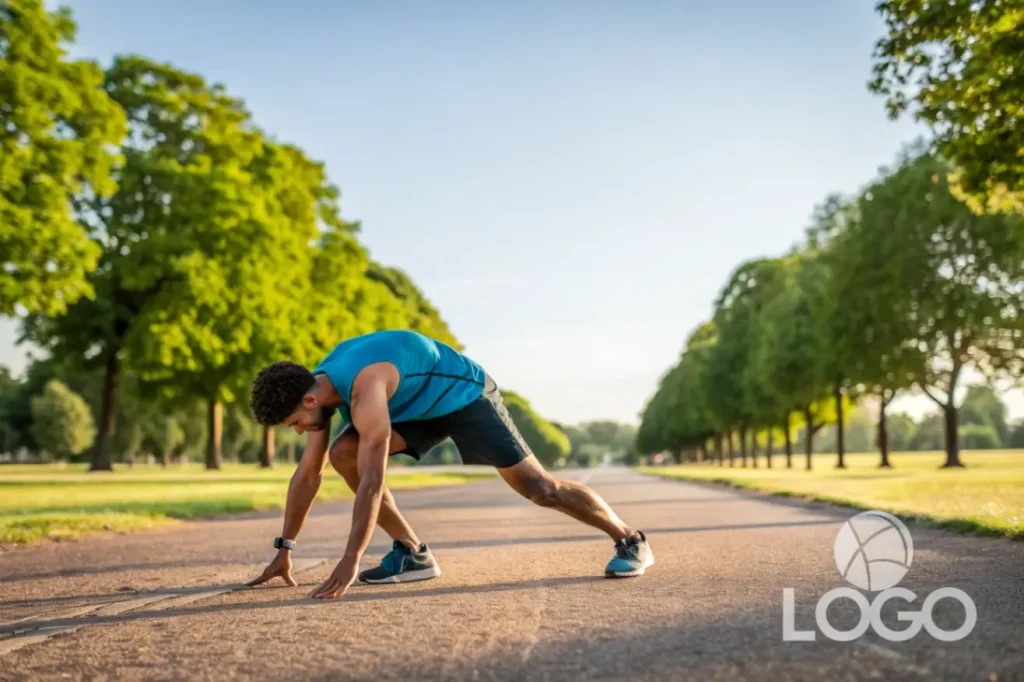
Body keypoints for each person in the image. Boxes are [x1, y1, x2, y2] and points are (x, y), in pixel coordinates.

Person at [245, 329, 653, 600]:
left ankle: (630, 539)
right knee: (341, 453)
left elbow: (372, 482)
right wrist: (285, 549)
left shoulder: (363, 388)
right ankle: (413, 554)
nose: (299, 431)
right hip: (412, 404)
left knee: (539, 489)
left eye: (296, 423)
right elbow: (307, 475)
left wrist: (351, 557)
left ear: (309, 402)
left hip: (463, 396)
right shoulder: (317, 391)